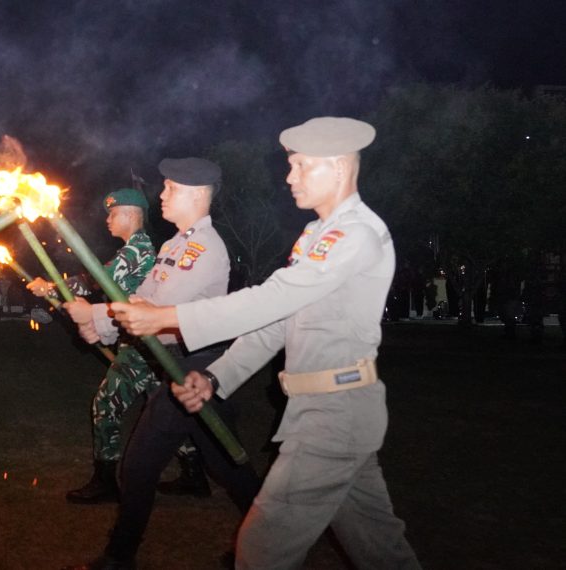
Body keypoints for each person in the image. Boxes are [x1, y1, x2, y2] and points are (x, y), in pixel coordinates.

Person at [111, 117, 421, 569]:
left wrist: (168, 316)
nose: (289, 176)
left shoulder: (353, 234)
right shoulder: (317, 237)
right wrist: (216, 377)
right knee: (382, 553)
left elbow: (275, 297)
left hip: (335, 416)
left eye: (299, 166)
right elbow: (276, 322)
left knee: (259, 550)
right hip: (329, 410)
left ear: (336, 168)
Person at [64, 159, 261, 570]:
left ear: (195, 193)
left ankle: (120, 558)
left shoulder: (202, 249)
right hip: (174, 366)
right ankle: (267, 544)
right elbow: (140, 303)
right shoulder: (173, 246)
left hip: (196, 369)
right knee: (226, 468)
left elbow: (156, 310)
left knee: (153, 465)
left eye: (170, 189)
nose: (162, 195)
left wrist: (97, 317)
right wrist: (101, 328)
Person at [27, 187, 161, 503]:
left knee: (106, 403)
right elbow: (93, 279)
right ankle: (195, 472)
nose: (107, 219)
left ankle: (105, 482)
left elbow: (96, 280)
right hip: (144, 341)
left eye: (113, 213)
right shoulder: (134, 249)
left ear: (130, 214)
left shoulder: (136, 251)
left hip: (143, 344)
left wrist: (53, 288)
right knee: (164, 405)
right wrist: (54, 287)